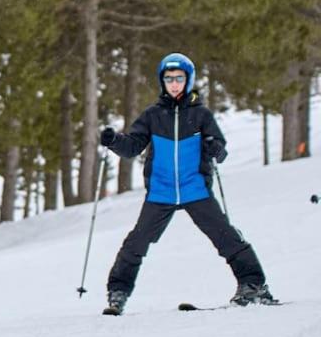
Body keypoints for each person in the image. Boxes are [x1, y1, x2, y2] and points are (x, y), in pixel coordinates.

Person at [100, 52, 278, 315]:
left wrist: (213, 147)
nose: (174, 83)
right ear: (162, 82)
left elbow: (221, 151)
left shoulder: (201, 115)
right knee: (136, 243)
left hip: (195, 188)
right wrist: (114, 140)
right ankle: (118, 293)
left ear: (188, 80)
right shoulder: (152, 115)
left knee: (225, 236)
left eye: (179, 78)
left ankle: (253, 285)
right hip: (161, 191)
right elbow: (133, 147)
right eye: (169, 78)